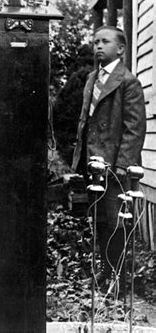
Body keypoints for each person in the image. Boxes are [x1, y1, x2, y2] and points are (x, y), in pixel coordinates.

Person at [72, 25, 146, 286]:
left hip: (116, 167)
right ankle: (105, 272)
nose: (98, 46)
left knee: (116, 223)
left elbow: (134, 128)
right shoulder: (92, 78)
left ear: (121, 49)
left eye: (105, 42)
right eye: (95, 42)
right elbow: (85, 122)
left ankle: (118, 278)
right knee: (100, 220)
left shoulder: (128, 82)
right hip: (95, 165)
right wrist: (79, 160)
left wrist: (124, 165)